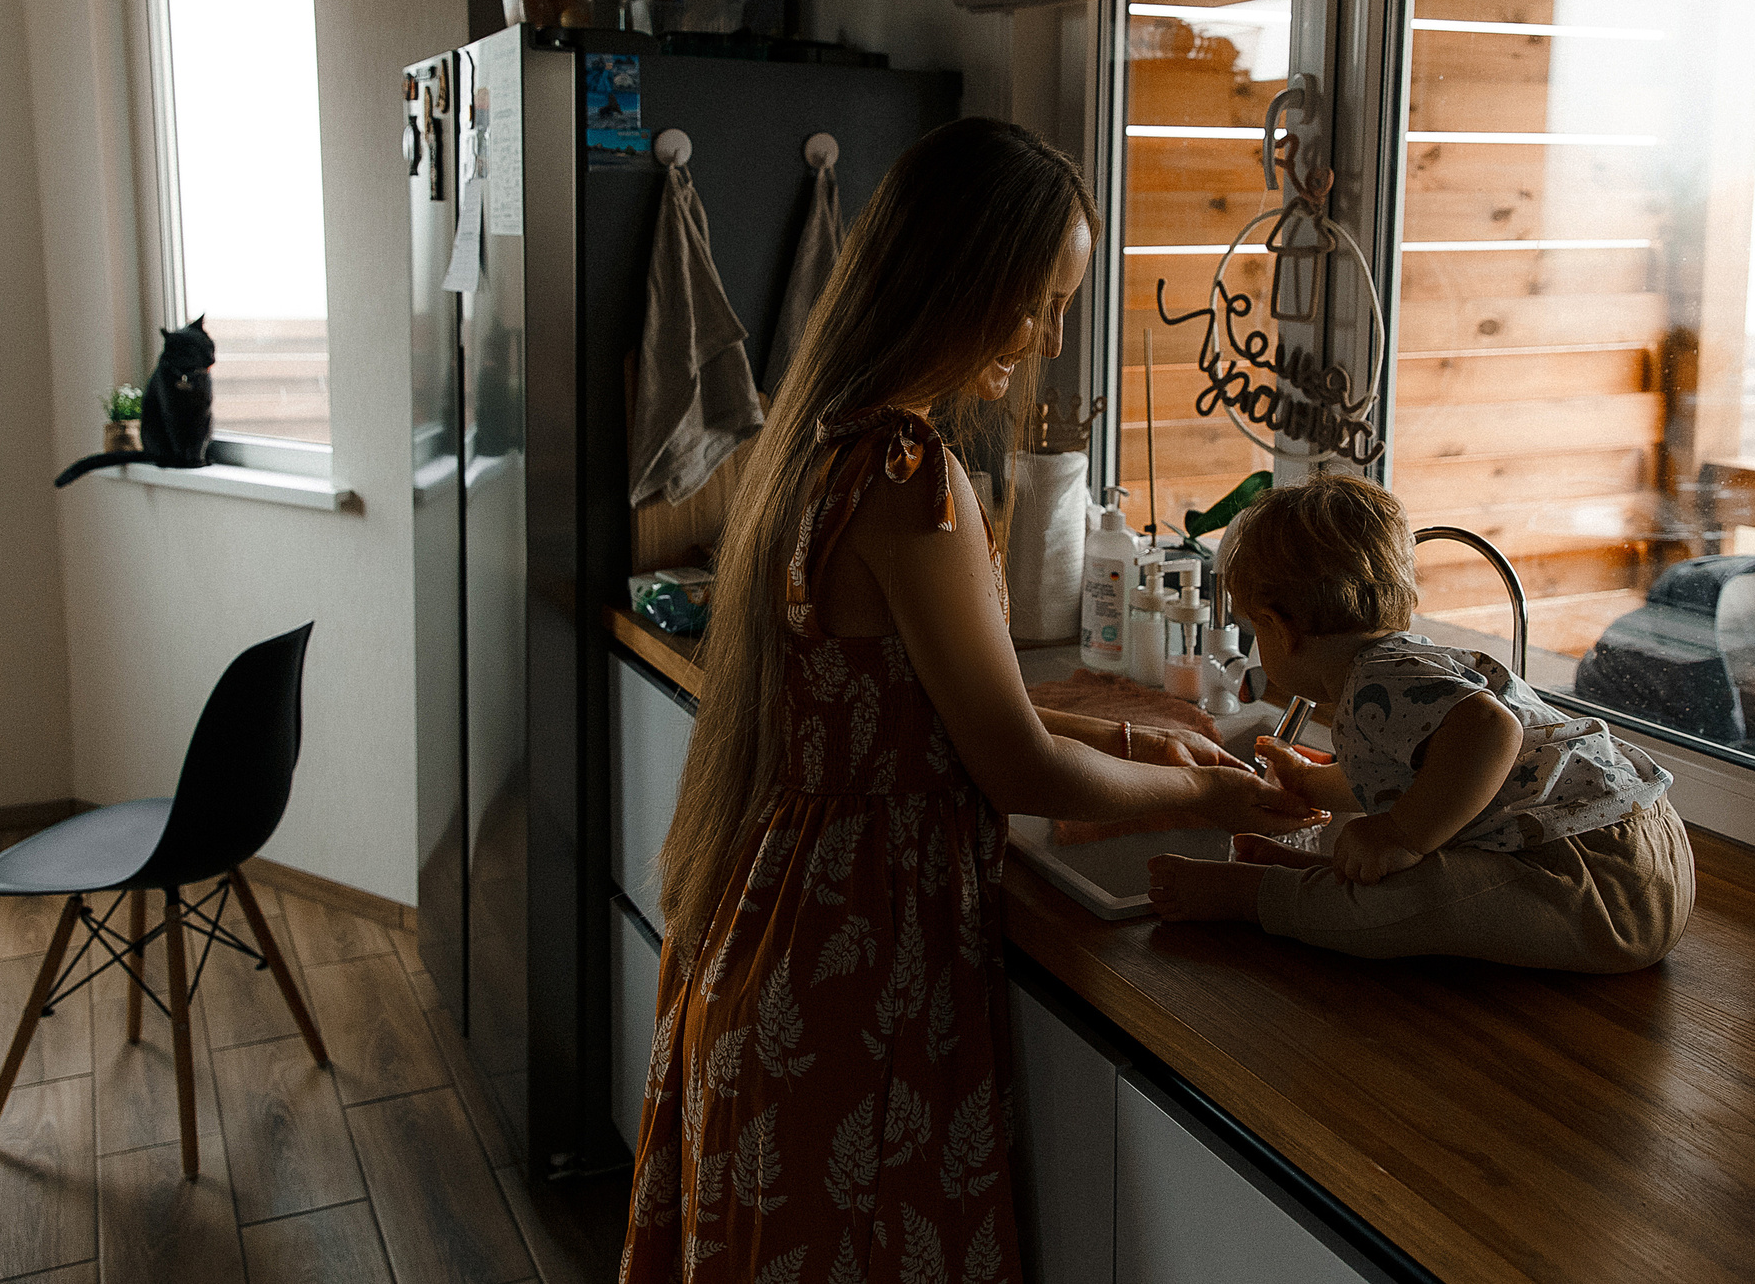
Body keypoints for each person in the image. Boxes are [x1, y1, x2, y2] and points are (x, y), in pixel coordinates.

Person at [624, 119, 1319, 1284]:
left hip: (779, 931)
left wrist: (1139, 735)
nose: (1047, 336)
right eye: (1038, 300)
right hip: (858, 969)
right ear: (963, 277)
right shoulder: (909, 478)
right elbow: (1016, 769)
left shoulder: (821, 444)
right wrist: (1202, 792)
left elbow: (921, 713)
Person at [1146, 474, 1694, 972]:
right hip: (1638, 845)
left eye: (1254, 629)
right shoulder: (1400, 665)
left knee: (1405, 903)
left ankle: (1252, 895)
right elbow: (1414, 775)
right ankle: (1304, 880)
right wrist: (1313, 783)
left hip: (1602, 881)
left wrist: (1398, 833)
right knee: (1424, 861)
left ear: (1279, 628)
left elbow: (1492, 731)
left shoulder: (1374, 686)